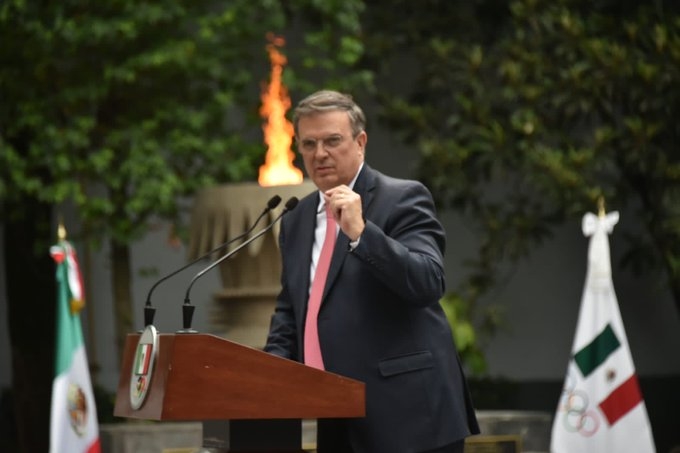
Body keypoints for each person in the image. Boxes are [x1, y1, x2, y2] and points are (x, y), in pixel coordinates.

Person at [264, 90, 480, 453]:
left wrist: (362, 234)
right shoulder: (297, 219)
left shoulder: (403, 198)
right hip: (335, 412)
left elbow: (428, 281)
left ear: (360, 142)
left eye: (333, 141)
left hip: (409, 414)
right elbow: (291, 309)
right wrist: (265, 375)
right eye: (309, 144)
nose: (320, 154)